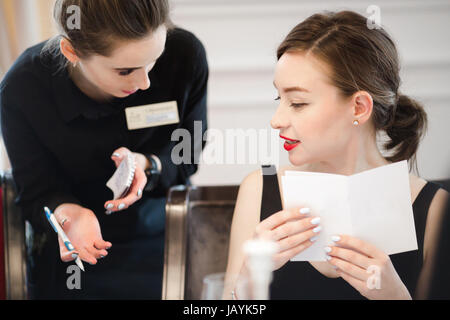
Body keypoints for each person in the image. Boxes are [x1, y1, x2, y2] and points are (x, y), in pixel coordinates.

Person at [224, 10, 449, 300]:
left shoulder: (435, 210)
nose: (276, 120)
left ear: (358, 108)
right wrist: (247, 281)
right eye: (280, 99)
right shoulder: (258, 188)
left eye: (298, 102)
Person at [0, 0, 208, 299]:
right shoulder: (24, 88)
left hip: (165, 238)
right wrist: (69, 213)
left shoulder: (185, 56)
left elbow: (187, 156)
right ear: (71, 52)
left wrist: (148, 165)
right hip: (70, 257)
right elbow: (35, 191)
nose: (145, 81)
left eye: (154, 61)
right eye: (125, 71)